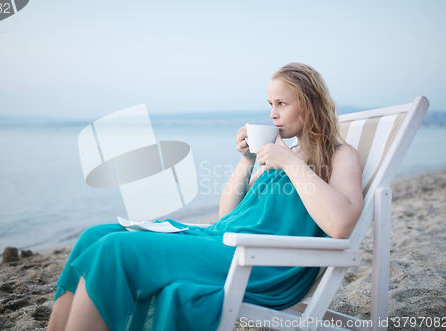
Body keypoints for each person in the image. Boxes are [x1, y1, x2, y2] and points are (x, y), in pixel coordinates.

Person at [47, 63, 363, 331]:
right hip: (223, 241)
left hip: (261, 264)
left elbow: (341, 225)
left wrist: (291, 164)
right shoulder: (286, 154)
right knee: (95, 236)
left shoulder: (339, 155)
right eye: (270, 105)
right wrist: (247, 161)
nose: (272, 115)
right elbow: (228, 215)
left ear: (308, 104)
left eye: (282, 104)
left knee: (116, 248)